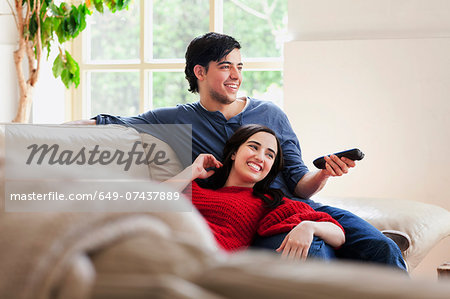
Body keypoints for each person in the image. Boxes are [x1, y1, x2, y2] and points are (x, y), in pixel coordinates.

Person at [73, 32, 407, 270]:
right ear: (199, 72)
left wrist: (323, 173)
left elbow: (298, 180)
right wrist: (32, 129)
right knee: (309, 259)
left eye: (240, 67)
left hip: (301, 207)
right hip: (258, 219)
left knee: (382, 248)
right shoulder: (178, 119)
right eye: (226, 67)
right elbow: (110, 120)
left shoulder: (271, 113)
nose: (236, 76)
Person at [167, 124, 345, 259]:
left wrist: (309, 226)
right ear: (234, 152)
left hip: (203, 258)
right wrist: (192, 170)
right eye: (253, 147)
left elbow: (338, 235)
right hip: (164, 243)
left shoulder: (267, 201)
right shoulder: (193, 188)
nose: (260, 157)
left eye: (269, 155)